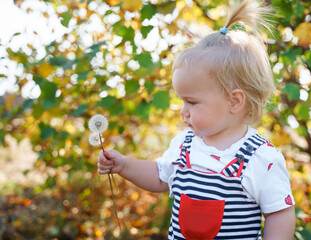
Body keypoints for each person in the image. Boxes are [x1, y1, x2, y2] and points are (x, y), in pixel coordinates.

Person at [97, 0, 296, 239]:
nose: (183, 111)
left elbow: (279, 213)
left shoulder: (260, 157)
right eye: (182, 101)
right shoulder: (185, 145)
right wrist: (124, 165)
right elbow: (161, 177)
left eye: (191, 102)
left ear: (234, 101)